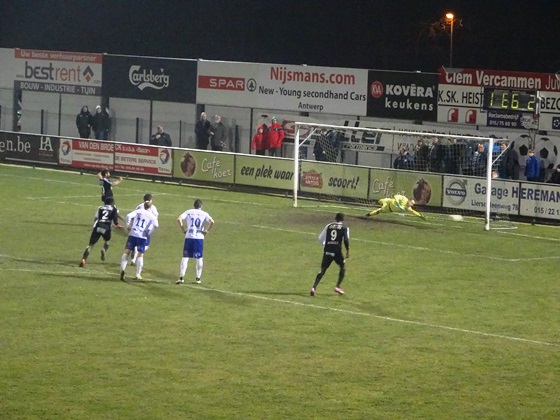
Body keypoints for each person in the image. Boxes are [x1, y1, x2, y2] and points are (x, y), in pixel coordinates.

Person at [309, 212, 349, 296]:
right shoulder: (344, 227)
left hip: (327, 251)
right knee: (342, 267)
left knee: (322, 270)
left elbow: (320, 238)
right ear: (342, 219)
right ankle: (337, 286)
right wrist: (347, 250)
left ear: (335, 218)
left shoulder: (328, 226)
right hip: (337, 251)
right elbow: (345, 240)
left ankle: (313, 288)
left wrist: (326, 246)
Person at [176, 199, 214, 285]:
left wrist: (183, 229)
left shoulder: (189, 212)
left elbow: (179, 219)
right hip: (199, 237)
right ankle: (198, 278)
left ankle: (181, 277)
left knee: (185, 257)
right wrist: (207, 231)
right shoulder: (204, 213)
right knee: (199, 257)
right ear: (201, 206)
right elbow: (212, 222)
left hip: (189, 236)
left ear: (194, 205)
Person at [120, 200, 159, 281]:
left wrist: (128, 226)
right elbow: (156, 225)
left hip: (133, 233)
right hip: (142, 236)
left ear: (143, 206)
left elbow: (128, 216)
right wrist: (149, 232)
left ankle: (122, 269)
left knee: (127, 251)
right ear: (150, 208)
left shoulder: (138, 211)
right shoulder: (151, 215)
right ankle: (138, 274)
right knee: (140, 254)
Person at [79, 197, 122, 267]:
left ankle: (84, 259)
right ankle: (103, 249)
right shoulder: (114, 209)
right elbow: (115, 221)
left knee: (90, 245)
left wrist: (94, 225)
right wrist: (118, 225)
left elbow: (96, 218)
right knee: (107, 241)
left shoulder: (100, 208)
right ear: (112, 203)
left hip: (98, 226)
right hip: (106, 228)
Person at [130, 194, 159, 266]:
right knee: (145, 246)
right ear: (151, 200)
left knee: (138, 243)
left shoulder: (140, 206)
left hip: (137, 228)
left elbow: (133, 215)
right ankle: (136, 254)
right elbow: (156, 216)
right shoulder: (152, 207)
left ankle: (134, 258)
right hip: (147, 229)